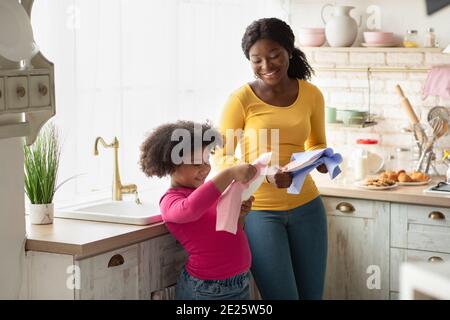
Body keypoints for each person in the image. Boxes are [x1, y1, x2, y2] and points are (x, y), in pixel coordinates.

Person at [214, 18, 329, 300]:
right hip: (260, 212)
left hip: (309, 208)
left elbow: (317, 142)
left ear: (289, 51)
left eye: (274, 55)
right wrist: (262, 173)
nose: (266, 65)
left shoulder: (311, 94)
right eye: (257, 60)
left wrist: (321, 159)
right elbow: (220, 155)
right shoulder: (241, 99)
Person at [139, 120, 257, 300]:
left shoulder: (209, 195)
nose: (205, 168)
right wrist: (229, 173)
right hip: (209, 289)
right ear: (172, 165)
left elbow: (229, 231)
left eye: (207, 160)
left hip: (239, 282)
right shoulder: (171, 200)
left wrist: (240, 214)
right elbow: (190, 210)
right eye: (196, 164)